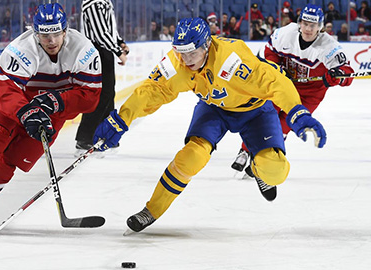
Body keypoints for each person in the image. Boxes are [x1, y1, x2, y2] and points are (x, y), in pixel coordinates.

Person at [93, 17, 327, 233]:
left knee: (275, 171)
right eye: (181, 52)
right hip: (214, 108)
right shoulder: (178, 61)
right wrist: (121, 119)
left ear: (206, 45)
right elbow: (152, 91)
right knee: (191, 156)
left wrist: (297, 113)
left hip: (255, 111)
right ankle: (151, 210)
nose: (186, 60)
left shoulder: (232, 59)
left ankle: (258, 170)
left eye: (192, 53)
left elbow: (274, 81)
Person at [0, 3, 102, 230]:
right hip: (17, 101)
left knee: (13, 160)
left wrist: (56, 101)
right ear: (35, 33)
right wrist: (26, 111)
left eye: (56, 33)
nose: (51, 40)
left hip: (54, 109)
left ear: (65, 31)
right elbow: (8, 92)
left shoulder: (84, 51)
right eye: (45, 35)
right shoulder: (20, 50)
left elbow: (90, 97)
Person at [231, 4, 354, 174]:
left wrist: (336, 77)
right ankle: (244, 150)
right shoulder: (285, 34)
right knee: (264, 116)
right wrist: (276, 68)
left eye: (313, 25)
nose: (308, 28)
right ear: (299, 23)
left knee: (283, 125)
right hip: (284, 86)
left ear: (320, 26)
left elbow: (347, 75)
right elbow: (268, 52)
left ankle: (262, 159)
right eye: (305, 23)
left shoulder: (330, 47)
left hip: (309, 95)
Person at [74, 0, 129, 155]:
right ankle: (85, 137)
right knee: (101, 94)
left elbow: (109, 29)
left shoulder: (103, 1)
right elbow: (100, 34)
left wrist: (120, 42)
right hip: (97, 51)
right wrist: (118, 51)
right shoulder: (93, 3)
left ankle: (105, 132)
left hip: (105, 50)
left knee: (108, 93)